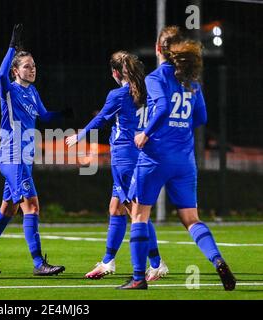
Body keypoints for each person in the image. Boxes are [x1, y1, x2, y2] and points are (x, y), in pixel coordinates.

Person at [119, 26, 236, 290]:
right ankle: (217, 259)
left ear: (159, 49)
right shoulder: (192, 81)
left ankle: (138, 278)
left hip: (155, 158)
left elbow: (161, 108)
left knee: (138, 215)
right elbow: (202, 118)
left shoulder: (155, 77)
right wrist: (180, 126)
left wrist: (145, 133)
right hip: (184, 161)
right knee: (191, 219)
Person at [0, 24, 68, 276]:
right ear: (16, 70)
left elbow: (44, 116)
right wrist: (12, 46)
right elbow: (0, 76)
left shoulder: (32, 91)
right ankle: (38, 264)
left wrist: (65, 115)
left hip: (24, 158)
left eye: (34, 65)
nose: (32, 69)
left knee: (8, 209)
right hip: (11, 155)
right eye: (27, 66)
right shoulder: (9, 90)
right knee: (32, 206)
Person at [65, 51, 168, 281]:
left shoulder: (118, 94)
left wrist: (80, 135)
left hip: (124, 157)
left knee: (136, 213)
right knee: (116, 208)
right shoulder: (147, 90)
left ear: (114, 72)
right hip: (140, 153)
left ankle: (157, 263)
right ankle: (108, 261)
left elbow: (102, 118)